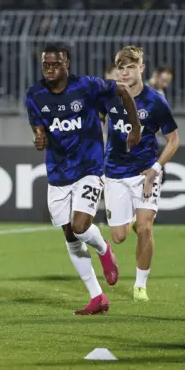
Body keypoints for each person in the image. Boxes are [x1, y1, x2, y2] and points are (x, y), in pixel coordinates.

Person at [25, 42, 141, 315]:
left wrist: (134, 127)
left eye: (56, 64)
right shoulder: (34, 93)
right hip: (57, 172)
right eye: (46, 65)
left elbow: (123, 91)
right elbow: (38, 124)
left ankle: (103, 249)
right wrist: (39, 136)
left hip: (89, 167)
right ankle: (97, 297)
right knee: (69, 234)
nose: (50, 69)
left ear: (68, 65)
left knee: (79, 226)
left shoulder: (87, 86)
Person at [103, 46, 179, 302]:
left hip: (144, 172)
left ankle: (139, 286)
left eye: (130, 67)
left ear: (141, 69)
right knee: (119, 236)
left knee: (146, 227)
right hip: (114, 172)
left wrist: (155, 170)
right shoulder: (108, 97)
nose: (125, 73)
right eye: (121, 68)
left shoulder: (155, 101)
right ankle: (123, 234)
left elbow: (173, 140)